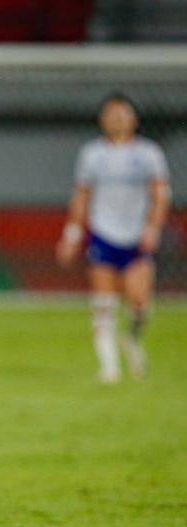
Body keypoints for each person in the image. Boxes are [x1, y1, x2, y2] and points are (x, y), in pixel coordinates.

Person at [56, 93, 170, 383]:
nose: (117, 119)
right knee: (104, 301)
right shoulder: (92, 154)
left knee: (140, 302)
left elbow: (160, 195)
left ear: (134, 119)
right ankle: (109, 368)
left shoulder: (148, 154)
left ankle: (131, 339)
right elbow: (82, 196)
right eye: (111, 114)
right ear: (103, 120)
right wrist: (72, 234)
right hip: (103, 233)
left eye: (123, 114)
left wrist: (153, 228)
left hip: (135, 235)